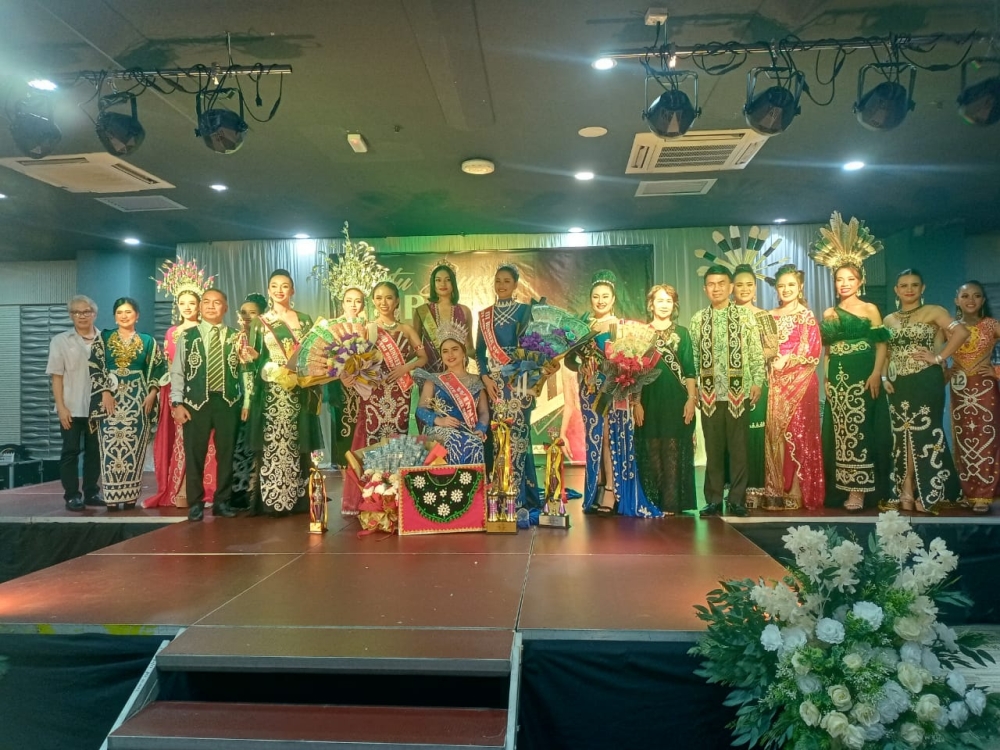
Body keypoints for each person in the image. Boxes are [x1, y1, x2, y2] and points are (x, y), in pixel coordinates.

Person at [566, 270, 660, 518]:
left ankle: (611, 490)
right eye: (596, 296)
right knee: (594, 439)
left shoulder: (622, 327)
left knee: (609, 438)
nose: (600, 300)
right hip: (589, 390)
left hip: (612, 391)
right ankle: (596, 488)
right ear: (590, 299)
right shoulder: (583, 326)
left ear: (613, 298)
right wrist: (581, 365)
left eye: (605, 296)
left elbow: (635, 360)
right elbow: (570, 359)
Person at [883, 269, 967, 513]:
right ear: (896, 290)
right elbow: (888, 353)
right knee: (902, 433)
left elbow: (961, 332)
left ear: (923, 288)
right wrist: (886, 376)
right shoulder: (888, 320)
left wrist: (939, 357)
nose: (909, 289)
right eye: (904, 285)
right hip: (898, 384)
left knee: (926, 432)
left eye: (914, 285)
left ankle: (931, 493)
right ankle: (906, 488)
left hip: (926, 380)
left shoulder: (934, 311)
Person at [341, 281, 426, 515]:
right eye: (378, 298)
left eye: (388, 298)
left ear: (397, 301)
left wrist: (404, 368)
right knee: (373, 439)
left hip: (400, 392)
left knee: (397, 440)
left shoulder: (406, 329)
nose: (383, 302)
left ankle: (396, 496)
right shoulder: (367, 328)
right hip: (375, 392)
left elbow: (422, 357)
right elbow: (354, 359)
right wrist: (355, 376)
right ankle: (373, 497)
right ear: (373, 301)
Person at [689, 265, 765, 517]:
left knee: (739, 448)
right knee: (713, 448)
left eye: (722, 283)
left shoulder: (745, 317)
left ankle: (737, 499)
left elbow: (755, 351)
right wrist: (696, 387)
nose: (717, 288)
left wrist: (757, 380)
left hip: (738, 392)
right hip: (710, 393)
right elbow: (695, 357)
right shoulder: (698, 319)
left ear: (730, 287)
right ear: (705, 288)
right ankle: (712, 499)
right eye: (711, 284)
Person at [245, 270, 322, 515]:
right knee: (273, 443)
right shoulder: (261, 322)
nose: (280, 290)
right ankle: (271, 500)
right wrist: (259, 363)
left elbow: (313, 354)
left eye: (285, 286)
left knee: (298, 440)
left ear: (293, 291)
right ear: (269, 290)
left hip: (299, 390)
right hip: (272, 392)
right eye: (275, 286)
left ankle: (299, 500)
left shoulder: (305, 320)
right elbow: (255, 360)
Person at [818, 265, 890, 511]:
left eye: (850, 279)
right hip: (838, 375)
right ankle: (842, 488)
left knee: (860, 428)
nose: (844, 283)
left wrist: (876, 373)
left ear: (860, 281)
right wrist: (826, 380)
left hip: (863, 372)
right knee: (839, 431)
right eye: (839, 279)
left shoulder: (870, 309)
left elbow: (881, 345)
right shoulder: (830, 313)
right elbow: (827, 351)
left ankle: (859, 490)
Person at [476, 264, 544, 512]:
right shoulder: (484, 315)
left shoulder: (526, 311)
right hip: (495, 385)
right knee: (498, 436)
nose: (502, 285)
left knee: (519, 438)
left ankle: (521, 495)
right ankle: (500, 492)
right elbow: (480, 354)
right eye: (498, 281)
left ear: (515, 284)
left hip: (520, 381)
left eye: (507, 281)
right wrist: (485, 378)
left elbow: (535, 346)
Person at [169, 289, 241, 521]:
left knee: (227, 454)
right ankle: (196, 502)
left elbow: (243, 371)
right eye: (207, 302)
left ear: (226, 307)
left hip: (228, 401)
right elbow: (177, 371)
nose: (211, 306)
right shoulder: (187, 336)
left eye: (217, 303)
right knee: (195, 453)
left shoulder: (236, 336)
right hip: (195, 402)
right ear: (200, 308)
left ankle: (222, 501)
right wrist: (177, 403)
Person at [147, 268, 216, 508]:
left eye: (192, 303)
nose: (187, 307)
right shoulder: (173, 333)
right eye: (182, 303)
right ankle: (181, 489)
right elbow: (170, 366)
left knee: (206, 441)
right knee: (183, 442)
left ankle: (206, 489)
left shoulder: (207, 331)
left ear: (199, 305)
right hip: (178, 393)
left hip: (204, 391)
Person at [89, 297, 166, 511]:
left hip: (138, 400)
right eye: (120, 312)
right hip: (110, 399)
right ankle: (112, 497)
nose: (124, 315)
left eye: (129, 312)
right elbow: (95, 367)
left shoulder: (148, 341)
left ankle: (130, 496)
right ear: (114, 316)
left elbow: (158, 369)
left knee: (133, 445)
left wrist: (152, 393)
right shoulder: (103, 338)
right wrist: (104, 392)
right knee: (110, 444)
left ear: (137, 315)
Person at [762, 264, 824, 511]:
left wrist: (787, 359)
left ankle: (798, 489)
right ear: (776, 289)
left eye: (791, 285)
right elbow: (764, 349)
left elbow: (813, 350)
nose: (786, 289)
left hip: (801, 381)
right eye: (781, 286)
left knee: (800, 433)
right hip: (775, 382)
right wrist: (770, 361)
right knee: (775, 435)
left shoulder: (805, 316)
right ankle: (776, 489)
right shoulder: (769, 316)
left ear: (800, 287)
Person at [634, 285, 697, 515]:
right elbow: (635, 372)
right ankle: (652, 501)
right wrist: (636, 402)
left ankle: (671, 503)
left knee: (672, 449)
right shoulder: (641, 332)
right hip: (649, 399)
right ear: (651, 304)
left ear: (674, 305)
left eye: (668, 301)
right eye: (659, 300)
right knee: (651, 448)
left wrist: (691, 399)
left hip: (675, 398)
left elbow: (690, 370)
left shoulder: (683, 333)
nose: (663, 305)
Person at [46, 295, 102, 511]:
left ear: (94, 314)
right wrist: (60, 407)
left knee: (94, 452)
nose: (82, 316)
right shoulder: (60, 341)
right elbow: (56, 376)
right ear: (71, 315)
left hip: (96, 408)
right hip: (70, 406)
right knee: (70, 451)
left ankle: (91, 492)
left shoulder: (104, 339)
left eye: (86, 311)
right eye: (77, 312)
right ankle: (72, 495)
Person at [949, 280, 1000, 512]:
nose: (971, 300)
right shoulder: (948, 327)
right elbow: (938, 352)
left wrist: (997, 370)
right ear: (956, 300)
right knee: (962, 437)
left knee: (986, 438)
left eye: (976, 296)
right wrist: (944, 371)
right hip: (958, 389)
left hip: (985, 388)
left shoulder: (991, 325)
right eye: (965, 295)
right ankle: (966, 491)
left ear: (983, 300)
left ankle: (984, 494)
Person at [731, 264, 778, 506]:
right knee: (732, 436)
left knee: (754, 434)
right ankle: (734, 488)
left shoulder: (763, 316)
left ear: (755, 288)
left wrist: (746, 355)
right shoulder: (726, 316)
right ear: (732, 288)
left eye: (749, 284)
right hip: (729, 385)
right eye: (739, 284)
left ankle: (755, 489)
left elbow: (772, 348)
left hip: (757, 382)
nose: (745, 289)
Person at [415, 322, 489, 464]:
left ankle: (471, 485)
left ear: (463, 352)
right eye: (445, 351)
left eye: (454, 349)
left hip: (469, 430)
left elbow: (484, 412)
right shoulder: (434, 379)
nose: (450, 354)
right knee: (455, 440)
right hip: (440, 431)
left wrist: (481, 428)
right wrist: (439, 421)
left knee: (474, 442)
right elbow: (421, 410)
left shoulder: (476, 381)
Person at [231, 292, 266, 509]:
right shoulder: (235, 337)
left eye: (252, 313)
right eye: (243, 312)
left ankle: (256, 491)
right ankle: (238, 490)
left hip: (258, 396)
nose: (246, 317)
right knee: (238, 445)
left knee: (256, 443)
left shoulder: (264, 339)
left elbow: (251, 370)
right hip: (235, 397)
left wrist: (249, 401)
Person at [413, 264, 475, 373]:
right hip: (430, 374)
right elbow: (416, 349)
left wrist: (491, 362)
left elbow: (469, 348)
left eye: (448, 280)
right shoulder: (422, 311)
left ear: (453, 283)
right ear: (433, 283)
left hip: (457, 376)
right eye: (438, 280)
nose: (443, 284)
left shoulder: (464, 311)